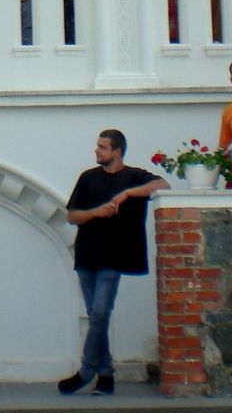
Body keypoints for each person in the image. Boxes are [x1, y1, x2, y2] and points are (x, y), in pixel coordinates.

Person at [57, 129, 168, 396]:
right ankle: (106, 375)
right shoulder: (88, 178)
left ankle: (86, 372)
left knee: (100, 313)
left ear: (117, 151)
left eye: (102, 146)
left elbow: (163, 185)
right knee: (97, 317)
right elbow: (72, 216)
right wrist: (96, 212)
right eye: (98, 145)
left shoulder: (134, 176)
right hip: (87, 254)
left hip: (114, 256)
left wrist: (128, 194)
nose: (97, 150)